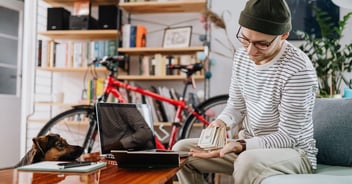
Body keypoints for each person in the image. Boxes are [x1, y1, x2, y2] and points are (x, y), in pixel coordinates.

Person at [172, 0, 319, 184]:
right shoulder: (242, 56)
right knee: (180, 152)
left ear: (283, 35)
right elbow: (236, 105)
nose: (250, 51)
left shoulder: (298, 70)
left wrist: (241, 145)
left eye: (261, 44)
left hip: (294, 153)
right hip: (249, 147)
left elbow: (288, 136)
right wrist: (222, 121)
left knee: (246, 161)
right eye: (245, 39)